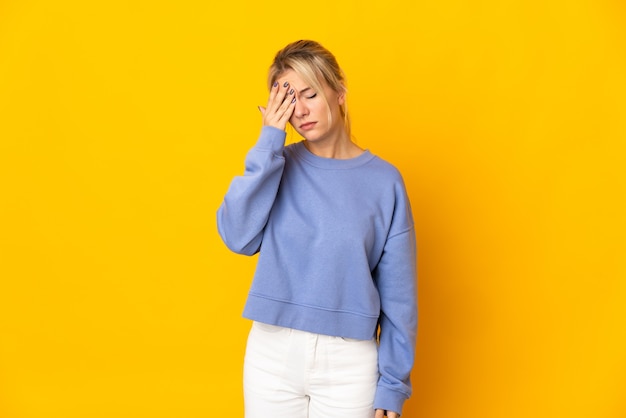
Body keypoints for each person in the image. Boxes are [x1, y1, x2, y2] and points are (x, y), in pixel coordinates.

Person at [216, 39, 417, 418]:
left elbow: (399, 297)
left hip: (349, 362)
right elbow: (236, 237)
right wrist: (267, 143)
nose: (301, 111)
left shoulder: (385, 182)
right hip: (271, 354)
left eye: (310, 94)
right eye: (290, 100)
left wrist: (393, 383)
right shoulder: (276, 164)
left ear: (339, 92)